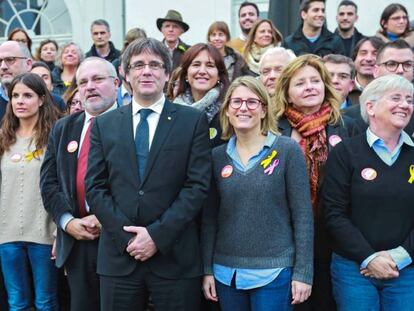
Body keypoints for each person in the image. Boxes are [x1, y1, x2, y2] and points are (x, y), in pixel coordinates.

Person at [84, 38, 211, 311]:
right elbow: (95, 187)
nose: (146, 71)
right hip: (119, 257)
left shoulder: (192, 121)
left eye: (155, 65)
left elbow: (197, 186)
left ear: (167, 73)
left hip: (175, 257)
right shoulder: (104, 125)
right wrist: (128, 238)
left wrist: (156, 236)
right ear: (126, 74)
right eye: (138, 65)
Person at [202, 76, 313, 310]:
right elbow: (209, 218)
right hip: (226, 273)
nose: (243, 108)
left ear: (263, 110)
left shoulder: (286, 150)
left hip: (275, 272)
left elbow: (303, 215)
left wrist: (303, 273)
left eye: (252, 102)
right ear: (227, 110)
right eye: (237, 102)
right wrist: (207, 270)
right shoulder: (216, 156)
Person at [323, 74, 414, 311]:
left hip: (406, 270)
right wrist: (369, 258)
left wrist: (399, 256)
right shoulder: (345, 153)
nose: (405, 105)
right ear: (370, 107)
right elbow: (334, 213)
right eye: (396, 98)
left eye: (409, 100)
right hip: (354, 269)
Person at [274, 54, 356, 311]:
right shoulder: (273, 129)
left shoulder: (347, 127)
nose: (310, 87)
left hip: (332, 237)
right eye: (300, 83)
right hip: (284, 236)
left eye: (315, 81)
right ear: (287, 92)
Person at [40, 57, 119, 311]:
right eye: (83, 82)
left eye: (98, 79)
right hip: (77, 239)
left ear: (116, 83)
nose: (89, 86)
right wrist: (67, 221)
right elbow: (49, 183)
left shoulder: (132, 123)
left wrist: (105, 217)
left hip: (119, 239)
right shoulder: (63, 128)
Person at [0, 72, 60, 310]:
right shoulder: (3, 138)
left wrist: (59, 232)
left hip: (44, 234)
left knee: (45, 302)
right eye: (15, 96)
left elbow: (61, 186)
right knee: (17, 303)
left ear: (42, 99)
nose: (20, 101)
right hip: (7, 236)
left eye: (27, 95)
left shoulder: (55, 136)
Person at [173, 43, 230, 147]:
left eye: (210, 65)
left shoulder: (228, 113)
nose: (202, 71)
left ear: (219, 75)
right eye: (196, 65)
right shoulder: (171, 112)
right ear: (186, 73)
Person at [0, 41, 33, 121]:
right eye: (0, 61)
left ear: (28, 64)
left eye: (10, 60)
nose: (3, 67)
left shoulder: (54, 102)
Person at [348, 37, 384, 106]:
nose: (368, 58)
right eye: (363, 53)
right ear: (354, 59)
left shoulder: (390, 91)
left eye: (375, 54)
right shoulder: (344, 89)